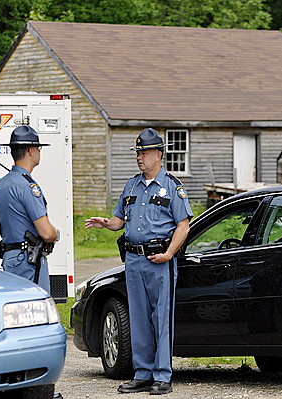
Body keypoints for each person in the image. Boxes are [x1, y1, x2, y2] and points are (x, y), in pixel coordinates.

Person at [85, 128, 193, 395]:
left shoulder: (172, 187)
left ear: (158, 154)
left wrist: (169, 254)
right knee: (139, 317)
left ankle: (163, 376)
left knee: (161, 318)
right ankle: (142, 373)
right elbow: (120, 219)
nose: (139, 157)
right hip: (133, 260)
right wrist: (106, 224)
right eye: (137, 153)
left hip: (159, 260)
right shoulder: (132, 185)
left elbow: (184, 225)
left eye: (144, 153)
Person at [0, 125, 58, 294]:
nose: (39, 152)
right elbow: (46, 233)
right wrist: (55, 234)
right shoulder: (27, 186)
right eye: (38, 148)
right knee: (35, 309)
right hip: (28, 260)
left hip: (10, 257)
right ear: (31, 150)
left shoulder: (3, 183)